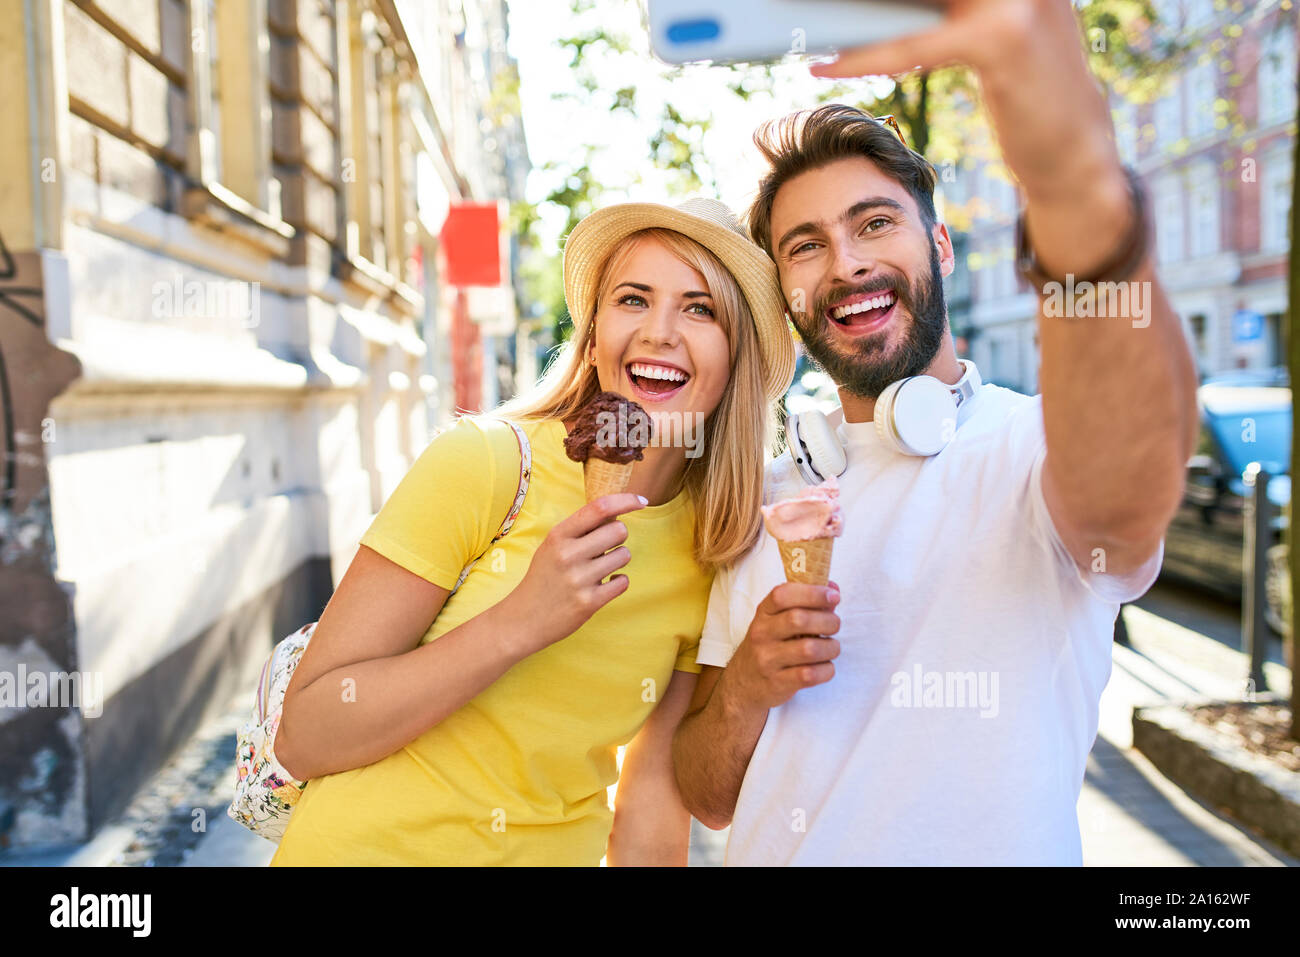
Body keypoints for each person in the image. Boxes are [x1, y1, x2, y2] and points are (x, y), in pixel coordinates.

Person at [672, 0, 1199, 866]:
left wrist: (1071, 177)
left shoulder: (1035, 452)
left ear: (941, 247)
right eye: (804, 246)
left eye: (875, 223)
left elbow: (1125, 495)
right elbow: (707, 795)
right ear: (785, 291)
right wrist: (743, 693)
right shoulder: (768, 495)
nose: (846, 263)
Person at [268, 198, 794, 865]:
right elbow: (306, 732)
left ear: (735, 354)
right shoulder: (485, 463)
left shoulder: (715, 546)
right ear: (596, 333)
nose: (661, 331)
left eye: (700, 309)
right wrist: (520, 621)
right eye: (634, 299)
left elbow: (651, 808)